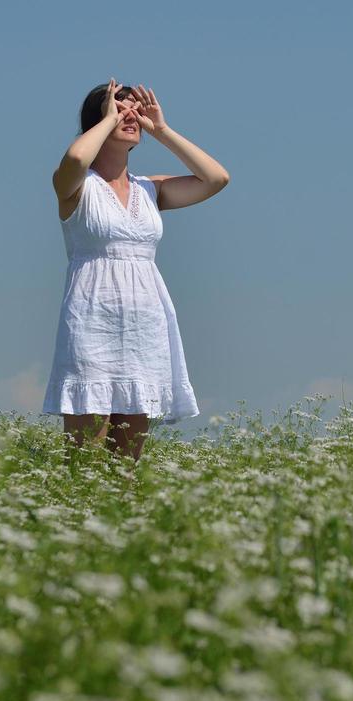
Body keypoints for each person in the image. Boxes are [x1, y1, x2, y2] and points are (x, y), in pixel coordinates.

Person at [42, 79, 230, 466]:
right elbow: (77, 160)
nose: (131, 114)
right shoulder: (76, 185)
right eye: (120, 107)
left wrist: (161, 130)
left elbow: (216, 179)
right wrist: (107, 118)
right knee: (86, 461)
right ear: (100, 119)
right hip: (92, 325)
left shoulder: (151, 189)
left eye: (135, 108)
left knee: (126, 465)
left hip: (145, 328)